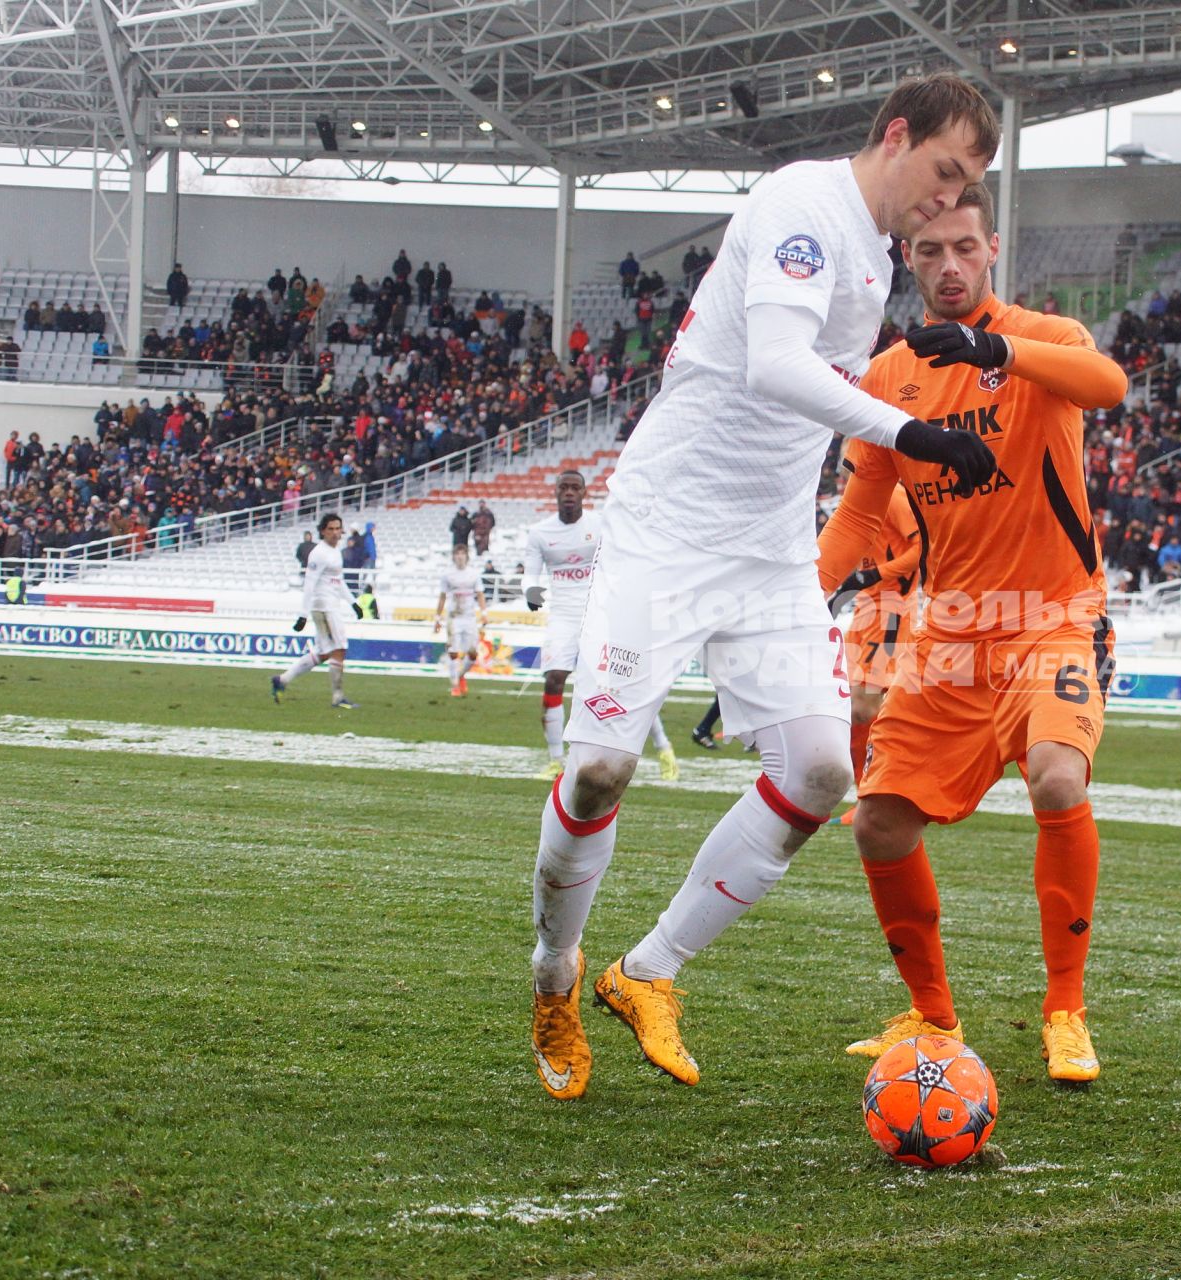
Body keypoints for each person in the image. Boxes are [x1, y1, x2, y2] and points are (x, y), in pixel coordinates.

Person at [527, 73, 1001, 1102]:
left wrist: (919, 363)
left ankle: (643, 971)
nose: (947, 198)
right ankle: (554, 974)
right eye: (945, 171)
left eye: (966, 185)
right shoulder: (801, 206)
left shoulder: (871, 256)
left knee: (823, 769)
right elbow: (777, 367)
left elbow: (822, 371)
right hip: (668, 530)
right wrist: (912, 429)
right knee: (603, 765)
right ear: (896, 135)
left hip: (769, 549)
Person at [815, 181, 1126, 1082]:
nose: (948, 266)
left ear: (992, 248)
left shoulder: (1044, 341)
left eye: (963, 248)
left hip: (1053, 618)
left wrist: (998, 348)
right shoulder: (888, 378)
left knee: (1058, 778)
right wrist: (806, 590)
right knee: (877, 824)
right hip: (949, 635)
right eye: (928, 252)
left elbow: (1108, 385)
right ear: (905, 261)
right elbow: (861, 517)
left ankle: (1065, 1012)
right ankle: (933, 1019)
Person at [522, 469, 680, 783]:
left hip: (601, 616)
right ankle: (556, 760)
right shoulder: (540, 533)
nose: (568, 492)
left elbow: (625, 557)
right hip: (563, 618)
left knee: (623, 686)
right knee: (554, 680)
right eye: (563, 487)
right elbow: (531, 572)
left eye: (574, 488)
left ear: (583, 493)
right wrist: (531, 591)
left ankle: (664, 749)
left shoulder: (599, 525)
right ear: (555, 492)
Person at [825, 461, 922, 823]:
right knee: (850, 707)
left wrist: (873, 574)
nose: (842, 477)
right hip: (867, 609)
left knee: (864, 709)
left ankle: (878, 793)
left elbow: (922, 551)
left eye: (847, 468)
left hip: (892, 612)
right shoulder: (855, 504)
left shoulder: (894, 497)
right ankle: (866, 795)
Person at [270, 512, 358, 709]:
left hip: (331, 604)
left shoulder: (335, 551)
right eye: (331, 529)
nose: (335, 533)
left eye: (338, 529)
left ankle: (282, 680)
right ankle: (338, 697)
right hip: (324, 606)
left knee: (323, 652)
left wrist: (354, 603)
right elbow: (309, 583)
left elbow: (338, 580)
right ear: (322, 531)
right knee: (339, 648)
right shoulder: (319, 553)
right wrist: (303, 614)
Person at [434, 543, 486, 697]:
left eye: (462, 553)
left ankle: (461, 675)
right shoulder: (447, 575)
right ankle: (455, 685)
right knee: (453, 652)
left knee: (472, 653)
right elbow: (443, 596)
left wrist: (484, 613)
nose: (460, 556)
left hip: (469, 617)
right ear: (453, 557)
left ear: (467, 556)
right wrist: (437, 618)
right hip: (454, 617)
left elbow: (480, 594)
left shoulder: (474, 574)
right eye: (457, 554)